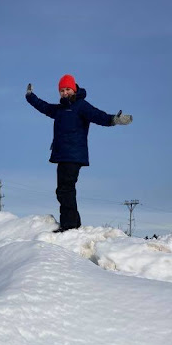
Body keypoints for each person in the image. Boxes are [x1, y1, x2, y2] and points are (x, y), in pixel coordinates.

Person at [25, 74, 132, 232]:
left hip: (73, 155)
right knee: (64, 189)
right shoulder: (60, 109)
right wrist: (30, 96)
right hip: (62, 155)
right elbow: (44, 107)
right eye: (62, 90)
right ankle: (74, 224)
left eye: (67, 89)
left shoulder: (81, 106)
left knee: (65, 189)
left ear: (74, 89)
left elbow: (98, 116)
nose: (65, 92)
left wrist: (114, 120)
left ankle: (69, 226)